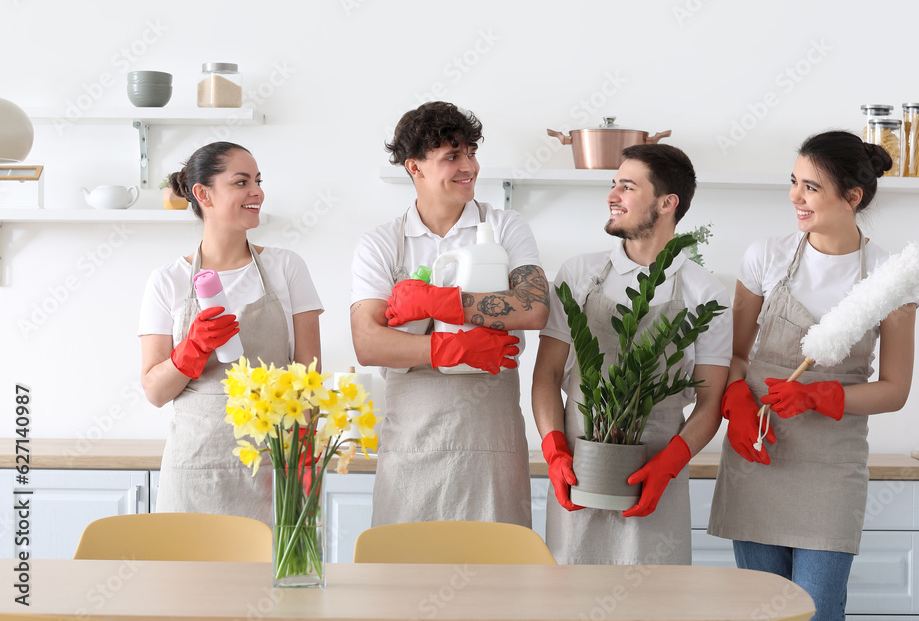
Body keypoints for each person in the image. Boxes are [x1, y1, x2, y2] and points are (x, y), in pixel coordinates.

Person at [708, 131, 918, 620]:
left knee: (819, 610)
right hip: (758, 450)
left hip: (831, 465)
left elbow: (895, 389)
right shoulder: (767, 256)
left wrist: (822, 397)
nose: (795, 198)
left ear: (852, 198)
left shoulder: (891, 277)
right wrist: (736, 405)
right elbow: (735, 355)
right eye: (793, 182)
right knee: (759, 611)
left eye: (810, 187)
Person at [350, 101, 550, 527]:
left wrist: (444, 303)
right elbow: (368, 343)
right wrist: (454, 348)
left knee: (496, 574)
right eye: (452, 157)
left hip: (491, 442)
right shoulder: (383, 244)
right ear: (415, 168)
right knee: (405, 575)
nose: (469, 167)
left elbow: (533, 307)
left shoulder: (505, 227)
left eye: (472, 153)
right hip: (411, 444)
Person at [532, 143, 733, 564]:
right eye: (613, 184)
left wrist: (670, 464)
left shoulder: (706, 293)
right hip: (579, 472)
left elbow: (711, 401)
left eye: (627, 186)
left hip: (657, 478)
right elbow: (548, 376)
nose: (612, 196)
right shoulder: (578, 275)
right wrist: (553, 450)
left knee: (655, 601)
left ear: (666, 203)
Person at [138, 142, 323, 525]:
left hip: (273, 465)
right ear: (203, 194)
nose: (257, 191)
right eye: (241, 182)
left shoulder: (286, 268)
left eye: (257, 180)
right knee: (188, 584)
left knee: (268, 583)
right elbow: (155, 391)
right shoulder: (167, 281)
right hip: (195, 469)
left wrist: (302, 461)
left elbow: (309, 379)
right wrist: (192, 349)